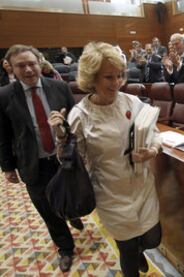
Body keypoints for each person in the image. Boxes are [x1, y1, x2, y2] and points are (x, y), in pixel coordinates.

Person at [48, 42, 162, 277]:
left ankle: (140, 248)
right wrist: (61, 135)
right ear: (92, 79)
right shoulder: (80, 115)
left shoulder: (132, 102)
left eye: (120, 75)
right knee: (127, 251)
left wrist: (153, 150)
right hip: (111, 194)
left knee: (153, 238)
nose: (117, 82)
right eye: (109, 77)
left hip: (143, 187)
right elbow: (71, 159)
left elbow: (154, 131)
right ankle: (132, 254)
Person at [0, 44, 82, 272]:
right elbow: (3, 135)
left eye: (31, 63)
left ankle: (71, 213)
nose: (28, 69)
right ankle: (65, 247)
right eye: (21, 66)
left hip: (63, 159)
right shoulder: (4, 96)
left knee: (70, 195)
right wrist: (7, 167)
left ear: (40, 62)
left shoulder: (60, 87)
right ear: (12, 69)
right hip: (32, 163)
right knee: (46, 208)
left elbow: (76, 124)